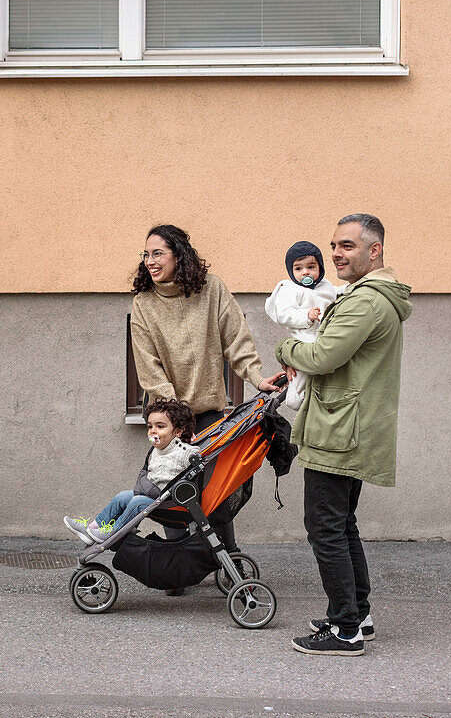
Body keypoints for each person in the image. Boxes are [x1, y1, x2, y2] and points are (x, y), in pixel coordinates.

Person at [276, 213, 412, 656]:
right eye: (333, 245)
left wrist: (284, 348)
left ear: (374, 250)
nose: (335, 253)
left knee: (325, 527)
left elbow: (322, 355)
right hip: (349, 424)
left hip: (337, 430)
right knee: (342, 524)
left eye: (347, 246)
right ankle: (357, 614)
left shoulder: (363, 302)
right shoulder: (372, 297)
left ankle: (344, 629)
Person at [130, 224, 284, 595]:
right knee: (170, 487)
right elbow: (148, 366)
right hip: (170, 417)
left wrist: (257, 377)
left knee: (215, 490)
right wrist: (174, 417)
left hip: (210, 412)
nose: (150, 262)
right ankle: (176, 567)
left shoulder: (211, 290)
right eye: (146, 255)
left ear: (178, 254)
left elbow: (237, 340)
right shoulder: (144, 304)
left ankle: (228, 557)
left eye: (157, 254)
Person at [63, 399, 199, 544]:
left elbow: (196, 456)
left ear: (178, 431)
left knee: (138, 501)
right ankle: (92, 528)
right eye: (150, 426)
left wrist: (192, 449)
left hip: (169, 502)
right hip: (152, 496)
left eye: (160, 426)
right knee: (122, 496)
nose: (153, 431)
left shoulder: (184, 451)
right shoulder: (156, 450)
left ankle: (112, 532)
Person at [264, 241, 344, 411]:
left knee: (321, 374)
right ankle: (295, 400)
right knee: (302, 373)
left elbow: (336, 292)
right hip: (304, 336)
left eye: (311, 266)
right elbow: (285, 314)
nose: (305, 272)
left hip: (324, 336)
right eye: (298, 268)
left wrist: (350, 288)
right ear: (291, 271)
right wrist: (306, 316)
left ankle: (317, 402)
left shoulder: (325, 286)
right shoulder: (290, 289)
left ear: (320, 269)